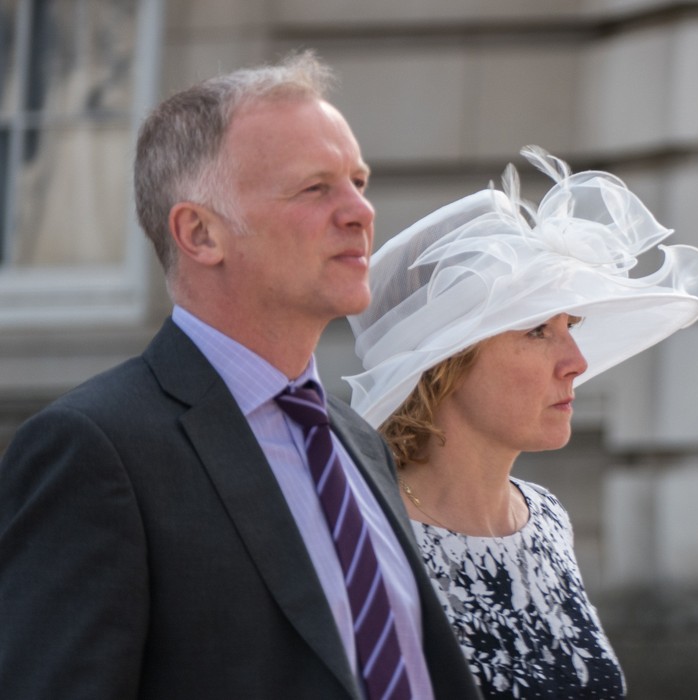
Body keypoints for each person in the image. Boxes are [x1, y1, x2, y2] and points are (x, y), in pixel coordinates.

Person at [0, 51, 481, 700]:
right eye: (316, 188)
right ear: (200, 233)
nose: (361, 212)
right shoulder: (94, 452)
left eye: (359, 182)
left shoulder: (357, 442)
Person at [344, 146, 698, 698]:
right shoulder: (364, 539)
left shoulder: (544, 521)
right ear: (450, 363)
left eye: (572, 324)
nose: (577, 363)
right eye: (538, 330)